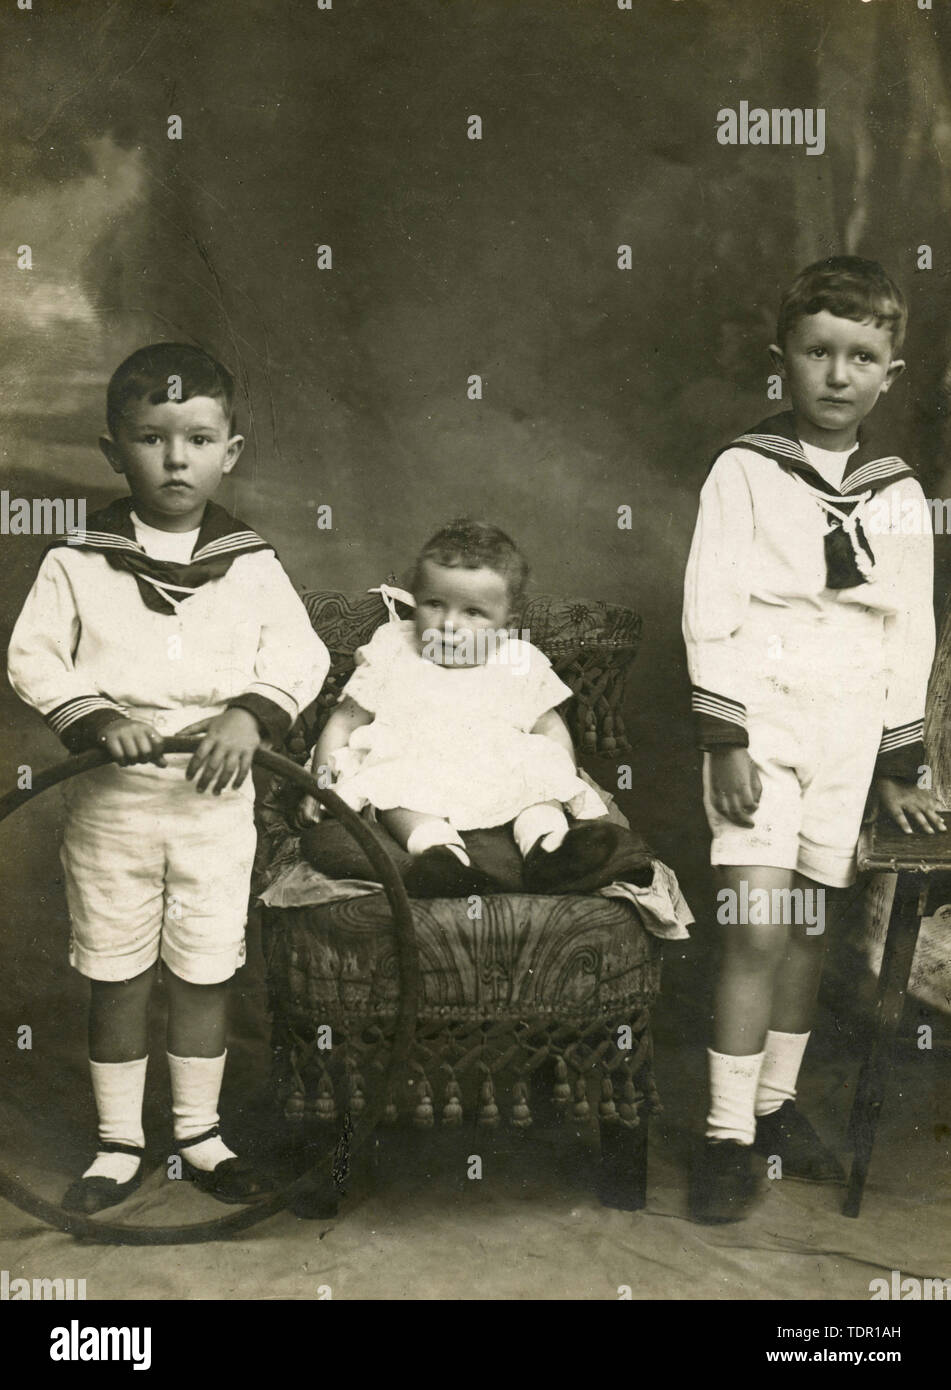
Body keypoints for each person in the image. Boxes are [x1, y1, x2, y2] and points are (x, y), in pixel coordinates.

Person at [7, 343, 329, 1213]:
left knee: (202, 972)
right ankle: (119, 1142)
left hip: (216, 807)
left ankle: (199, 1133)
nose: (175, 458)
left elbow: (299, 652)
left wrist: (248, 714)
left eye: (196, 438)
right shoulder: (77, 559)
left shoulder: (253, 562)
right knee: (116, 973)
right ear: (114, 451)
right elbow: (33, 656)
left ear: (230, 450)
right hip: (114, 806)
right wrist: (98, 717)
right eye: (151, 438)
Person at [682, 256, 943, 1223]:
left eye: (861, 356)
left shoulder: (898, 491)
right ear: (782, 361)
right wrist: (724, 736)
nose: (837, 375)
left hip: (843, 732)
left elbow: (907, 624)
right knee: (753, 922)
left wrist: (894, 761)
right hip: (760, 722)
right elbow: (707, 608)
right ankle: (723, 1136)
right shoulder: (743, 472)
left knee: (802, 929)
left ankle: (775, 1105)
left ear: (890, 373)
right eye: (817, 352)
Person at [299, 518, 636, 897]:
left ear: (506, 622)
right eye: (434, 604)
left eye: (473, 613)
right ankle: (441, 856)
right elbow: (343, 724)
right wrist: (322, 784)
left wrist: (559, 775)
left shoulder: (517, 658)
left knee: (538, 781)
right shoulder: (393, 649)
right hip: (415, 762)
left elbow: (549, 728)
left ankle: (549, 849)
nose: (448, 624)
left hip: (499, 763)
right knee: (392, 790)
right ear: (416, 598)